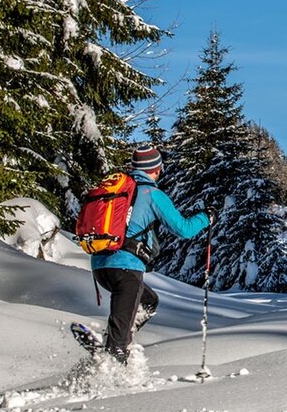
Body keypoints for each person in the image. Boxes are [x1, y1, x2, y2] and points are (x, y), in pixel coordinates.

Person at [90, 144, 210, 363]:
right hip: (126, 267)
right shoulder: (152, 194)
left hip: (100, 265)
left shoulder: (119, 190)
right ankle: (113, 357)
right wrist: (205, 218)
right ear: (156, 169)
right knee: (119, 345)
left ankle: (113, 340)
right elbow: (183, 229)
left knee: (149, 301)